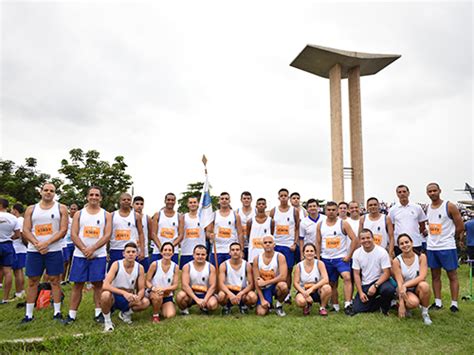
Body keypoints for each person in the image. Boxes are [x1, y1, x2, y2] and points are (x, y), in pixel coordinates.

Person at [63, 186, 112, 325]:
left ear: (101, 198)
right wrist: (85, 249)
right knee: (77, 285)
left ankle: (98, 313)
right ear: (87, 197)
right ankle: (72, 315)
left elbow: (107, 235)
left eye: (97, 195)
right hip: (80, 254)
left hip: (99, 255)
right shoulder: (79, 214)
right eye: (91, 194)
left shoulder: (106, 215)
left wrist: (93, 249)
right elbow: (73, 234)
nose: (94, 197)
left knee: (98, 284)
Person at [21, 183, 68, 323]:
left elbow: (63, 230)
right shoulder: (31, 209)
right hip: (34, 250)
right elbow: (26, 230)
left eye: (51, 191)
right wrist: (37, 244)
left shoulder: (61, 208)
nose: (48, 193)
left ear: (55, 193)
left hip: (53, 250)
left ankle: (57, 312)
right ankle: (28, 314)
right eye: (46, 190)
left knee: (55, 280)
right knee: (32, 281)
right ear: (40, 192)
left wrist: (46, 243)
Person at [426, 183, 464, 312]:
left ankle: (454, 304)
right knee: (435, 275)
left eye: (434, 190)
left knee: (452, 275)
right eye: (430, 191)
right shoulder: (428, 208)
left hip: (447, 246)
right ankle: (438, 302)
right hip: (432, 247)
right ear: (427, 193)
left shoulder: (449, 206)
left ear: (439, 191)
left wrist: (453, 238)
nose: (432, 193)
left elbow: (460, 226)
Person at [316, 201, 357, 315]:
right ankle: (335, 306)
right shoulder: (320, 224)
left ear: (338, 210)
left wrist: (349, 255)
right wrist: (318, 258)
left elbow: (355, 239)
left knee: (347, 277)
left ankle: (348, 304)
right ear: (325, 211)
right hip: (326, 259)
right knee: (331, 283)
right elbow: (318, 242)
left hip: (340, 258)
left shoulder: (343, 223)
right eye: (328, 210)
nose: (331, 212)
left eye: (333, 210)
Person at [100, 242, 149, 332]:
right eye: (128, 252)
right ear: (123, 254)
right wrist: (124, 293)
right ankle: (108, 322)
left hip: (129, 297)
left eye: (133, 252)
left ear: (137, 254)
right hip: (115, 296)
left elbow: (141, 288)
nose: (131, 254)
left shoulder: (140, 267)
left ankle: (125, 314)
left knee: (145, 302)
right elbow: (105, 285)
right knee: (105, 295)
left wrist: (138, 296)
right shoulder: (116, 264)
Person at [352, 228, 395, 315]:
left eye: (368, 238)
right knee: (357, 309)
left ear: (373, 238)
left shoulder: (382, 252)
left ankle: (385, 308)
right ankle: (379, 302)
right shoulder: (356, 253)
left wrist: (375, 285)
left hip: (381, 282)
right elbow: (356, 274)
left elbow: (387, 273)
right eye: (363, 238)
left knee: (388, 290)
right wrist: (360, 292)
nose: (366, 240)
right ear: (360, 240)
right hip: (366, 283)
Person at [392, 233, 432, 325]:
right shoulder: (396, 261)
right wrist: (402, 304)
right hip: (404, 290)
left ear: (412, 243)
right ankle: (407, 306)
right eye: (402, 244)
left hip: (416, 286)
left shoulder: (421, 257)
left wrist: (405, 285)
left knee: (425, 286)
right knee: (413, 303)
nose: (405, 245)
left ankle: (425, 313)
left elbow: (422, 277)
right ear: (399, 246)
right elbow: (399, 283)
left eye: (407, 242)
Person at [270, 188, 299, 302]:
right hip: (277, 244)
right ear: (278, 197)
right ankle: (277, 291)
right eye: (281, 196)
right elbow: (270, 227)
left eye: (285, 195)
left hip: (288, 245)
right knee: (276, 270)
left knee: (288, 271)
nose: (283, 197)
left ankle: (287, 294)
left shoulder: (294, 211)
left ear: (288, 197)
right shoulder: (273, 211)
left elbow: (297, 227)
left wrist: (295, 243)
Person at [176, 244, 218, 315]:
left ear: (206, 255)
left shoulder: (211, 267)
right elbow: (185, 286)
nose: (200, 256)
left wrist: (205, 299)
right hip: (191, 295)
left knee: (212, 305)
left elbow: (212, 286)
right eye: (198, 254)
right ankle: (184, 310)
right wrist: (196, 299)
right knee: (180, 296)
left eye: (203, 254)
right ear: (193, 255)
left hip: (206, 294)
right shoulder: (187, 267)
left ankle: (204, 307)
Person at [253, 235, 288, 317]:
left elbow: (283, 277)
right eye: (265, 243)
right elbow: (257, 281)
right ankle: (267, 303)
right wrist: (262, 300)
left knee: (284, 286)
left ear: (274, 244)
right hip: (264, 289)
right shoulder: (256, 259)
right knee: (261, 313)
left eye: (270, 242)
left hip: (275, 286)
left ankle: (278, 305)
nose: (268, 244)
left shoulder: (280, 257)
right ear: (262, 245)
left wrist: (265, 282)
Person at [218, 242, 257, 315]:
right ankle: (227, 306)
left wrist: (241, 293)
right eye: (233, 250)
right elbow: (221, 283)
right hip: (228, 290)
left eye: (237, 250)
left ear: (241, 252)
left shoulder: (247, 265)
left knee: (253, 297)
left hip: (242, 290)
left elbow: (251, 284)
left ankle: (243, 305)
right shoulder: (224, 265)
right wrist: (230, 294)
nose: (235, 252)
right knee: (221, 296)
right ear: (229, 252)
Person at [293, 243, 331, 316]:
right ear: (303, 253)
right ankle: (306, 306)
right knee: (301, 301)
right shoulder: (299, 266)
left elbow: (326, 279)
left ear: (315, 253)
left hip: (317, 290)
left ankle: (322, 308)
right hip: (303, 290)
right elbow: (295, 283)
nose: (309, 253)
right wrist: (305, 293)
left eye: (311, 251)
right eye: (307, 251)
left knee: (327, 288)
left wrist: (312, 288)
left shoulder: (320, 263)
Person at [207, 192, 244, 267]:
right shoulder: (213, 215)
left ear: (229, 201)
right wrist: (210, 236)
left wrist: (241, 250)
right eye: (222, 199)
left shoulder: (235, 215)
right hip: (217, 250)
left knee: (230, 274)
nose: (224, 200)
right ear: (219, 201)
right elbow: (208, 231)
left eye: (226, 199)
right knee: (217, 274)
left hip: (231, 251)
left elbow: (240, 233)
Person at [388, 185, 427, 255]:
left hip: (415, 242)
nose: (402, 194)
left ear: (408, 193)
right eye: (399, 192)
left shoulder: (417, 208)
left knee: (416, 264)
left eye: (404, 191)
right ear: (397, 194)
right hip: (399, 244)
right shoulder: (392, 210)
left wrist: (415, 233)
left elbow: (422, 225)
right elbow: (391, 228)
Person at [109, 193, 145, 267]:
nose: (126, 201)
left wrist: (142, 250)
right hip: (115, 248)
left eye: (128, 200)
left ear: (131, 202)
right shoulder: (112, 215)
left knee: (131, 274)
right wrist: (106, 251)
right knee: (114, 274)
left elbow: (141, 233)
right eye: (124, 199)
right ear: (120, 201)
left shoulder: (136, 216)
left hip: (131, 249)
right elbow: (107, 234)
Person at [146, 242, 179, 323]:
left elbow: (175, 285)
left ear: (173, 253)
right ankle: (155, 315)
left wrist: (163, 289)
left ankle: (160, 306)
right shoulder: (155, 264)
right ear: (161, 252)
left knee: (170, 315)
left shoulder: (175, 267)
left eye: (170, 250)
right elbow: (147, 281)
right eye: (165, 250)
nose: (167, 252)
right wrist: (154, 288)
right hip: (154, 293)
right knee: (157, 296)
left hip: (167, 295)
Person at [0, 198, 21, 303]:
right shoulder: (13, 218)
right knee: (7, 271)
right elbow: (17, 235)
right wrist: (8, 238)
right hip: (7, 245)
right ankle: (5, 298)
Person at [151, 193, 181, 264]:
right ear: (165, 201)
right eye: (168, 200)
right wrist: (161, 248)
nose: (170, 201)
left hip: (173, 251)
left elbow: (181, 235)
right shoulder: (158, 215)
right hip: (158, 250)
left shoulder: (179, 216)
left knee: (173, 273)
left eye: (172, 200)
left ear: (175, 201)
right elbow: (153, 234)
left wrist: (170, 248)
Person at [179, 196, 206, 269]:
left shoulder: (203, 217)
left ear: (198, 204)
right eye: (190, 202)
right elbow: (180, 234)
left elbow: (209, 231)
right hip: (186, 252)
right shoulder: (183, 217)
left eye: (194, 202)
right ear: (187, 204)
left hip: (200, 253)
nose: (192, 204)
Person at [247, 198, 274, 263]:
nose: (261, 205)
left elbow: (271, 234)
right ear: (256, 206)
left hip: (265, 251)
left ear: (266, 206)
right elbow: (248, 236)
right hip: (253, 251)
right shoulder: (250, 221)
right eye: (259, 204)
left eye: (263, 204)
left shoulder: (271, 221)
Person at [11, 203, 26, 299]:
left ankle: (18, 292)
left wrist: (9, 238)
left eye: (12, 209)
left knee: (17, 272)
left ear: (15, 210)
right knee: (20, 270)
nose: (11, 211)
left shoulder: (18, 221)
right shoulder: (23, 220)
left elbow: (20, 234)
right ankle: (22, 290)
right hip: (22, 249)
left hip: (18, 248)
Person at [132, 196, 151, 272]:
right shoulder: (129, 217)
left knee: (144, 274)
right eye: (137, 204)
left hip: (144, 252)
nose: (139, 206)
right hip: (131, 251)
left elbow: (150, 235)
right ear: (133, 204)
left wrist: (143, 249)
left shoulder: (147, 218)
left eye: (141, 204)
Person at [61, 203, 78, 283]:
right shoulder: (66, 218)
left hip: (74, 243)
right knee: (65, 261)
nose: (73, 211)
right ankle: (62, 279)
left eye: (75, 209)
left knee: (72, 261)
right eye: (72, 209)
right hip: (66, 242)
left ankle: (69, 278)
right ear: (69, 210)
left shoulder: (78, 219)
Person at [236, 191, 255, 260]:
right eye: (244, 198)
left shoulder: (256, 212)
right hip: (240, 244)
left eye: (248, 198)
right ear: (241, 200)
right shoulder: (237, 212)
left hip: (252, 244)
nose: (246, 200)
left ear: (251, 200)